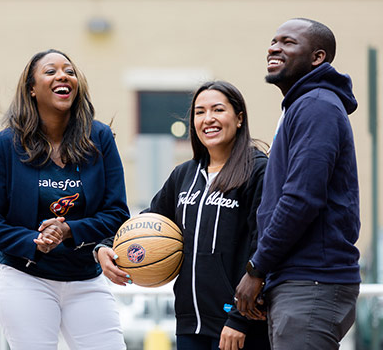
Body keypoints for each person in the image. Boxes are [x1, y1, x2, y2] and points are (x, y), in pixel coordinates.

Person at [96, 81, 270, 350]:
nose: (208, 119)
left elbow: (262, 246)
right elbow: (149, 221)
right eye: (199, 112)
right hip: (189, 322)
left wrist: (239, 320)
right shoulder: (184, 175)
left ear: (239, 118)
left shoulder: (257, 171)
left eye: (218, 110)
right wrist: (107, 246)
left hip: (235, 325)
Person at [0, 49, 130, 350]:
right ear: (31, 89)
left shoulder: (99, 138)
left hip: (86, 277)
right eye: (51, 71)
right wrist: (35, 240)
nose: (63, 76)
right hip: (25, 277)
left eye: (69, 71)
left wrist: (68, 231)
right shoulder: (8, 144)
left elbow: (117, 213)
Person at [235, 18, 360, 349]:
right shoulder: (302, 105)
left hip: (312, 280)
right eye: (273, 41)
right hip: (297, 279)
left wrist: (257, 268)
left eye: (288, 42)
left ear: (317, 57)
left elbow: (301, 199)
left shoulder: (316, 106)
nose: (274, 48)